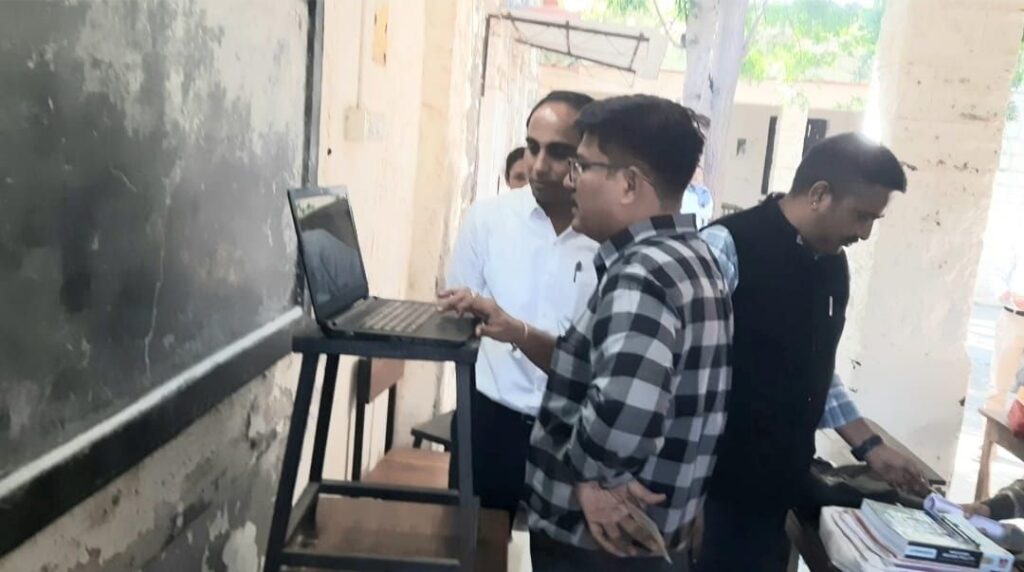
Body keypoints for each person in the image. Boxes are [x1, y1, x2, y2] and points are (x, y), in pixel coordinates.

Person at [441, 94, 732, 571]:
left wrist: (587, 477)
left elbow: (622, 413)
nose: (569, 179)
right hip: (651, 529)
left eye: (582, 165)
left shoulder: (641, 274)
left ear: (629, 184)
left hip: (604, 538)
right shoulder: (694, 258)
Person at [695, 133, 928, 572]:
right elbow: (685, 374)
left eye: (874, 220)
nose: (865, 233)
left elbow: (813, 367)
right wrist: (686, 496)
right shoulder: (728, 247)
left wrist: (870, 446)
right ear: (819, 194)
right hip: (712, 489)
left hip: (776, 485)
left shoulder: (832, 263)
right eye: (861, 216)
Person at [445, 91, 599, 524]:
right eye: (532, 147)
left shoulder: (607, 236)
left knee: (558, 552)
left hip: (573, 431)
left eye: (559, 152)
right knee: (475, 545)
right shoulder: (487, 220)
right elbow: (458, 316)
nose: (539, 166)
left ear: (588, 156)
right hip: (489, 424)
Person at [989, 228, 1024, 409]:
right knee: (999, 384)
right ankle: (990, 426)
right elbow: (997, 274)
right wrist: (1009, 296)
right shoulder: (1017, 238)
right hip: (1013, 320)